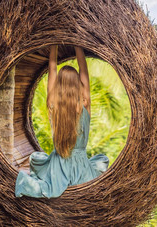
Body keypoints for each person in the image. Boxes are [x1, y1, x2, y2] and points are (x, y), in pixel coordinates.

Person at [15, 45, 109, 199]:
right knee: (102, 160)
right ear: (78, 84)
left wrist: (54, 43)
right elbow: (83, 67)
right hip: (82, 169)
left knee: (35, 159)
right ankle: (75, 179)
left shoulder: (53, 103)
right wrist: (77, 44)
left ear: (59, 85)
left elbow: (52, 68)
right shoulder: (84, 102)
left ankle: (31, 183)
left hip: (58, 167)